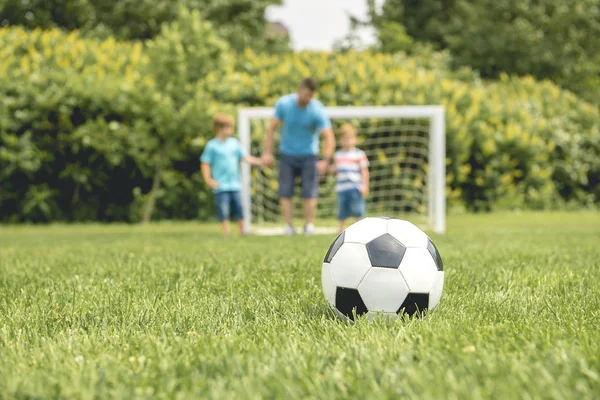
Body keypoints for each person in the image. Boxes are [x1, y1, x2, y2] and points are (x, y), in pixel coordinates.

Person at [261, 78, 335, 235]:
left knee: (309, 192)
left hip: (309, 155)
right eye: (305, 94)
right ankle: (289, 226)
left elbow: (328, 136)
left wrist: (326, 160)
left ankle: (308, 225)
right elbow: (271, 129)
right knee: (285, 191)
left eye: (311, 95)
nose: (307, 98)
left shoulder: (317, 109)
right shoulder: (284, 104)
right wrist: (267, 152)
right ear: (299, 90)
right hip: (287, 154)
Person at [201, 113, 262, 237]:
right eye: (228, 127)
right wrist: (208, 179)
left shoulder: (234, 143)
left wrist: (260, 161)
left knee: (239, 208)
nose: (231, 130)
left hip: (235, 184)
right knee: (223, 210)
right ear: (219, 128)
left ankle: (242, 232)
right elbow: (205, 163)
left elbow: (246, 158)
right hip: (220, 185)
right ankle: (226, 233)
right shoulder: (212, 145)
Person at [330, 123, 370, 232]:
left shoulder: (359, 154)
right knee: (342, 208)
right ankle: (341, 227)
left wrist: (365, 186)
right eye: (344, 139)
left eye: (349, 139)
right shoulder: (338, 155)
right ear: (340, 140)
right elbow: (335, 168)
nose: (347, 142)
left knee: (357, 208)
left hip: (355, 187)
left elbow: (364, 171)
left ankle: (359, 226)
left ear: (355, 139)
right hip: (342, 188)